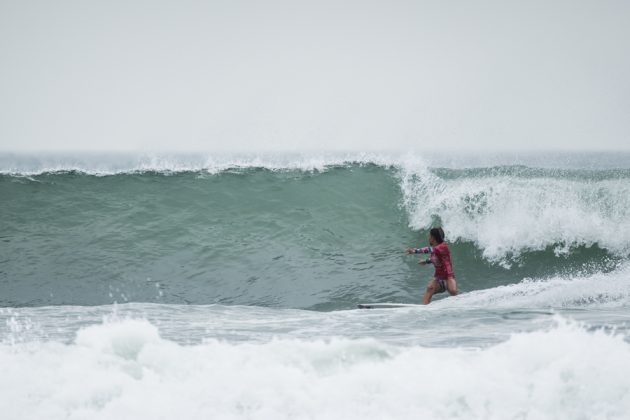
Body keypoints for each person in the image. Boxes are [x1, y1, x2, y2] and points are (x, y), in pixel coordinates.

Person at [406, 227, 457, 304]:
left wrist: (415, 251)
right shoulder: (435, 249)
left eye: (429, 236)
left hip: (448, 277)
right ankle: (424, 309)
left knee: (453, 291)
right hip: (438, 277)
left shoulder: (443, 246)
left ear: (433, 238)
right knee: (429, 288)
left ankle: (460, 308)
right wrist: (426, 261)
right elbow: (435, 259)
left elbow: (429, 249)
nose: (428, 238)